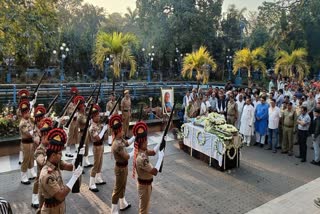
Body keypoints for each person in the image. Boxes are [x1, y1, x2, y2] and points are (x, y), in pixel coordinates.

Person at [39, 128, 84, 213]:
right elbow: (60, 195)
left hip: (59, 207)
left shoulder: (56, 162)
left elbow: (70, 167)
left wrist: (79, 157)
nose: (61, 155)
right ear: (53, 155)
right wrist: (74, 178)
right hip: (51, 210)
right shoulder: (47, 175)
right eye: (59, 153)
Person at [132, 121, 164, 214]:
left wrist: (161, 141)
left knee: (145, 205)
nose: (147, 142)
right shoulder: (141, 157)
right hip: (144, 186)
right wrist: (160, 158)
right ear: (141, 142)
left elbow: (153, 152)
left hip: (146, 184)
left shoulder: (142, 150)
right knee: (143, 208)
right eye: (145, 141)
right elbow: (154, 171)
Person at [109, 114, 135, 213]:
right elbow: (127, 156)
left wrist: (135, 136)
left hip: (124, 167)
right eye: (121, 130)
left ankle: (122, 203)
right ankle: (114, 210)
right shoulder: (117, 144)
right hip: (120, 169)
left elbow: (127, 143)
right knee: (117, 189)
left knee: (122, 186)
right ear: (118, 131)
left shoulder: (120, 139)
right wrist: (135, 150)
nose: (123, 131)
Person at [33, 118, 53, 211]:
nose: (49, 139)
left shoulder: (50, 147)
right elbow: (43, 163)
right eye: (46, 137)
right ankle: (34, 199)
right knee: (42, 208)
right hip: (43, 182)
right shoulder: (39, 150)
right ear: (42, 137)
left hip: (52, 181)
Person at [88, 104, 108, 192]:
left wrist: (105, 128)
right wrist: (104, 130)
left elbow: (103, 135)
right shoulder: (92, 127)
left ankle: (98, 178)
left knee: (100, 163)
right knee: (95, 165)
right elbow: (98, 137)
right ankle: (91, 183)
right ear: (93, 117)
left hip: (101, 145)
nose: (99, 118)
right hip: (96, 146)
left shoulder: (97, 124)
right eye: (97, 116)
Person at [19, 100, 37, 185]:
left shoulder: (29, 120)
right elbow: (28, 134)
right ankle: (23, 177)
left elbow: (34, 124)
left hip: (30, 143)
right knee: (25, 160)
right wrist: (34, 131)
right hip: (26, 143)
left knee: (31, 158)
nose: (28, 114)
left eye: (28, 112)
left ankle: (32, 173)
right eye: (27, 113)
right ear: (23, 114)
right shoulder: (23, 123)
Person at [74, 95, 92, 168]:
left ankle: (86, 162)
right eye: (83, 107)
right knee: (82, 149)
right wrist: (89, 116)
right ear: (80, 108)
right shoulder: (80, 116)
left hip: (86, 132)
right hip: (81, 133)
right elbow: (86, 122)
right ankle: (79, 164)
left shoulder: (83, 114)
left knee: (87, 147)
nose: (84, 108)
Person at [65, 87, 79, 158]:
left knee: (77, 135)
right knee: (70, 136)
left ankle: (77, 148)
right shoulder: (70, 104)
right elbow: (70, 113)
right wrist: (75, 114)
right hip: (71, 121)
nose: (74, 96)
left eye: (75, 94)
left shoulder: (77, 103)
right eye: (73, 94)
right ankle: (67, 151)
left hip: (77, 121)